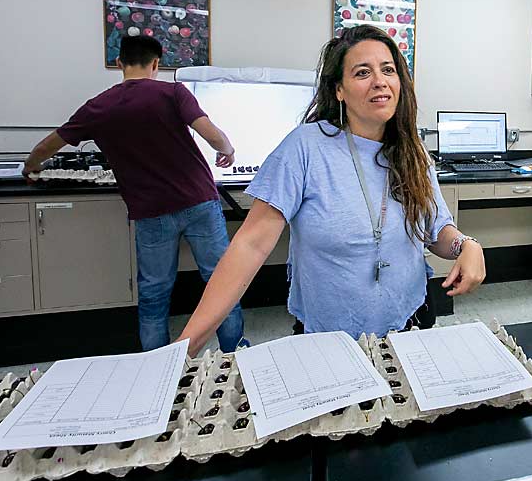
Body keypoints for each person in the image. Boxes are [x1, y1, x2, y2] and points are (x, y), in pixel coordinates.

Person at [176, 25, 486, 356]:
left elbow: (435, 230)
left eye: (388, 70)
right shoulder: (305, 148)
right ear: (339, 89)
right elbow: (249, 246)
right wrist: (185, 347)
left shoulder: (413, 152)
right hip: (327, 339)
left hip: (410, 322)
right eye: (362, 72)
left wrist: (466, 245)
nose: (379, 80)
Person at [23, 35, 245, 352]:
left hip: (151, 212)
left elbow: (47, 146)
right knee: (221, 282)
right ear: (156, 64)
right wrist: (228, 150)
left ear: (119, 64)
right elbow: (211, 134)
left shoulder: (98, 106)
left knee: (155, 293)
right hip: (198, 201)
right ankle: (234, 354)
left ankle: (156, 367)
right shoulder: (172, 92)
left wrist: (30, 166)